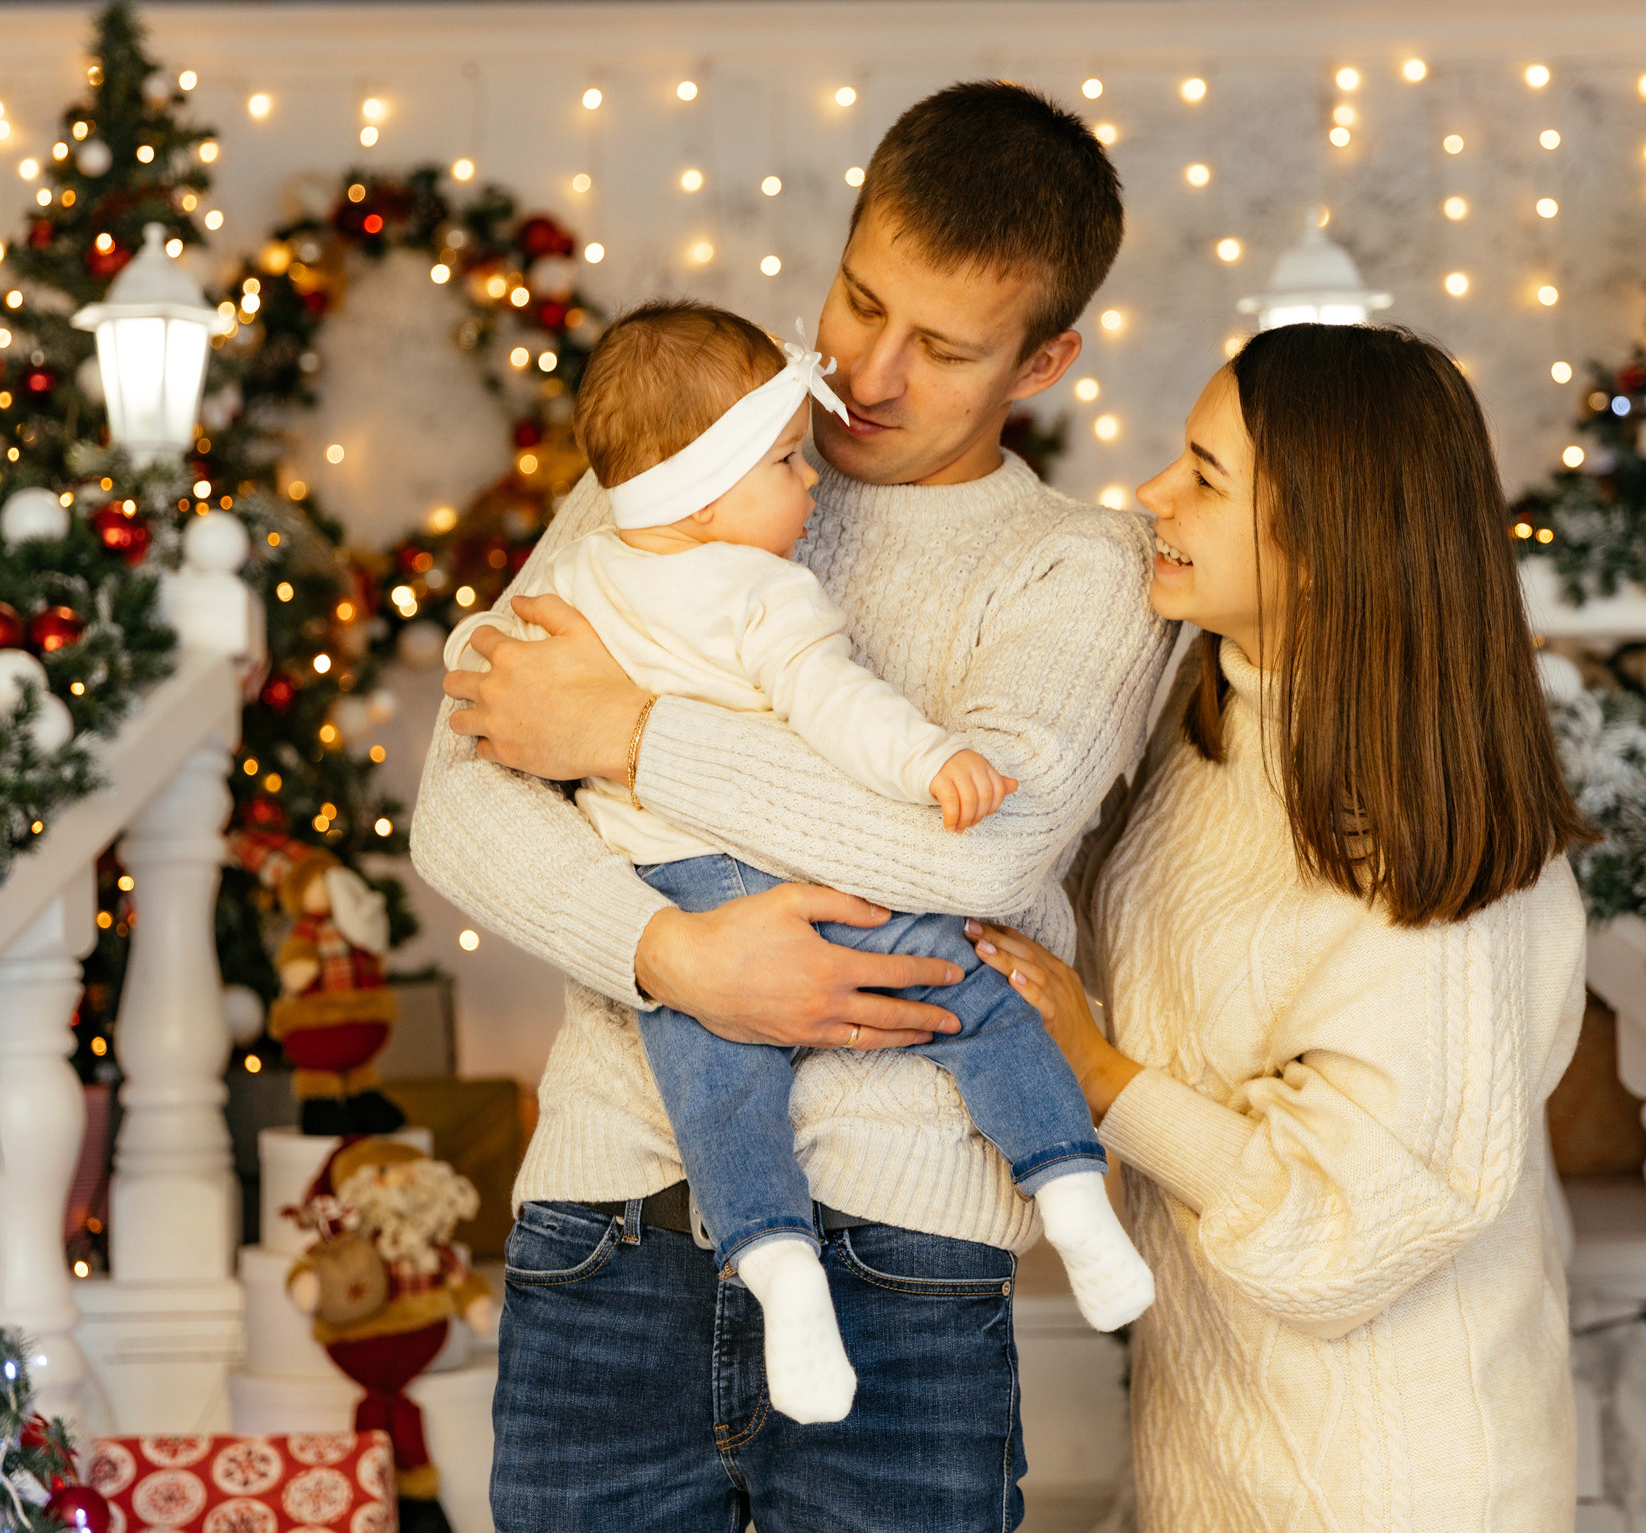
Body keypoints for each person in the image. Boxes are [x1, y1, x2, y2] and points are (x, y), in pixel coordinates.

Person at [412, 82, 1170, 1531]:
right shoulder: (671, 471)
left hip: (904, 1257)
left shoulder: (1078, 569)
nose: (869, 373)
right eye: (858, 299)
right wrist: (675, 960)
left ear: (1045, 359)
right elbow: (464, 804)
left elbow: (990, 844)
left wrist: (627, 733)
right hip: (606, 1228)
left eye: (942, 347)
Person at [964, 322, 1593, 1531]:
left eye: (1205, 476)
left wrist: (1100, 1079)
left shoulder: (1430, 870)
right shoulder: (1205, 728)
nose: (1152, 495)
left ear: (1328, 541)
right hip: (1217, 1446)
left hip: (1394, 1482)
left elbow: (1354, 1225)